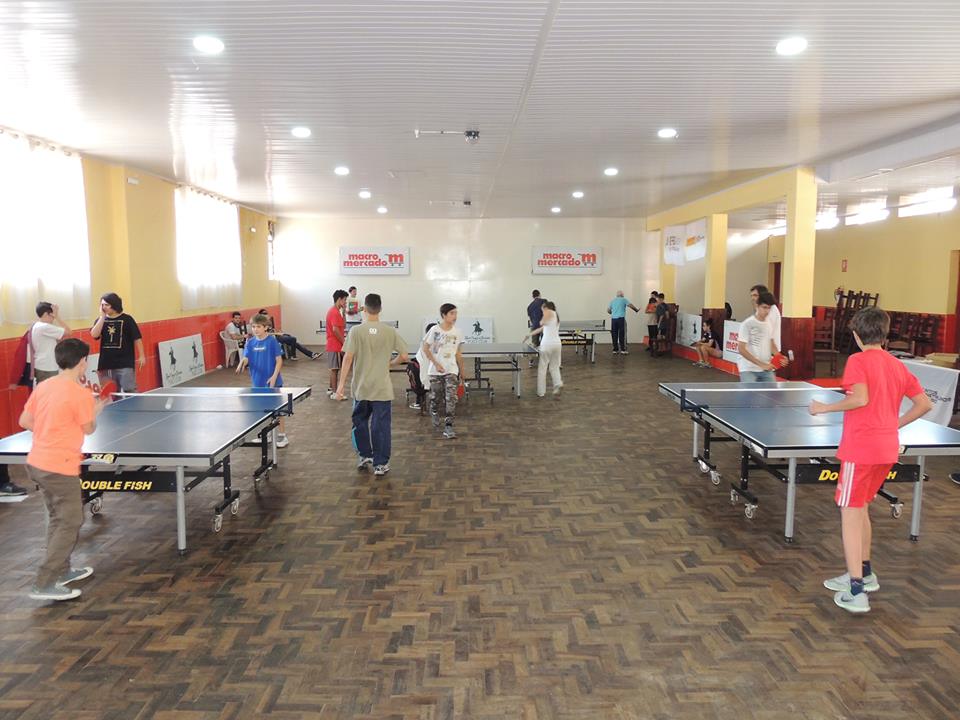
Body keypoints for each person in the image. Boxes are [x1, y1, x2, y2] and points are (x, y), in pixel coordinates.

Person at [809, 307, 932, 614]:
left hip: (861, 450)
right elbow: (924, 404)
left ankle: (856, 591)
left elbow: (860, 399)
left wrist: (823, 408)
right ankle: (865, 574)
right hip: (886, 449)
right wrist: (894, 425)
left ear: (855, 335)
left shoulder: (858, 361)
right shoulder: (896, 364)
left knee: (850, 513)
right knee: (861, 507)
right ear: (885, 334)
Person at [19, 338, 107, 601]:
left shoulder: (44, 386)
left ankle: (62, 570)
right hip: (60, 468)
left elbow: (25, 420)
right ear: (83, 363)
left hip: (37, 463)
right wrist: (96, 410)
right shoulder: (80, 394)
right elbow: (88, 428)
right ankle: (44, 583)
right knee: (70, 521)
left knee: (58, 518)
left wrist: (50, 431)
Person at [335, 294, 408, 476]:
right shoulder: (389, 331)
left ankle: (364, 455)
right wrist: (391, 363)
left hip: (361, 388)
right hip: (382, 389)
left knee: (359, 422)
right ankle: (380, 464)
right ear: (380, 309)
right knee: (380, 426)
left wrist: (340, 386)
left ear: (365, 310)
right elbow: (404, 356)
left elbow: (348, 358)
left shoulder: (355, 331)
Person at [236, 313, 289, 448]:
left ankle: (282, 436)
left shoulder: (272, 341)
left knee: (278, 410)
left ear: (265, 327)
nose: (255, 329)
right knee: (262, 410)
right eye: (253, 327)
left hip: (273, 382)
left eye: (258, 327)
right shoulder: (250, 342)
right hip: (257, 382)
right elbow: (247, 357)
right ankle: (266, 435)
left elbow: (279, 361)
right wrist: (242, 362)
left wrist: (274, 376)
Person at [421, 304, 466, 440]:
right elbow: (425, 348)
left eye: (456, 313)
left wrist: (462, 371)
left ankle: (449, 426)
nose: (455, 316)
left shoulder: (457, 332)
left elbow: (458, 353)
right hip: (435, 370)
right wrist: (436, 364)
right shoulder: (434, 330)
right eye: (452, 313)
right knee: (436, 396)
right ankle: (434, 410)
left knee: (451, 397)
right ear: (444, 315)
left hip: (451, 369)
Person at [90, 292, 145, 393]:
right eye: (102, 305)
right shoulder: (100, 321)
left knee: (129, 389)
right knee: (110, 392)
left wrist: (142, 355)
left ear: (114, 305)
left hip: (124, 363)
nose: (104, 307)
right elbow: (94, 335)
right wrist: (102, 317)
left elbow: (137, 338)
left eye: (107, 305)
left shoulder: (127, 319)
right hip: (106, 363)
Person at [737, 291, 781, 382]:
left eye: (769, 308)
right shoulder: (747, 324)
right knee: (750, 390)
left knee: (772, 390)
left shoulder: (769, 323)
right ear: (757, 306)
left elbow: (771, 343)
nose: (767, 311)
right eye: (764, 307)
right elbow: (741, 349)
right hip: (748, 369)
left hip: (766, 368)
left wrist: (779, 356)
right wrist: (761, 364)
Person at [526, 300, 563, 398]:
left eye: (543, 309)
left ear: (546, 308)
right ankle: (558, 383)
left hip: (547, 345)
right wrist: (529, 334)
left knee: (542, 368)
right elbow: (541, 329)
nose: (542, 312)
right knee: (554, 367)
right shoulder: (556, 317)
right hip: (557, 344)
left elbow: (541, 322)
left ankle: (541, 392)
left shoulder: (549, 312)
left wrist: (543, 315)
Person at [31, 302, 71, 384]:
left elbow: (57, 340)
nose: (53, 318)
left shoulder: (37, 325)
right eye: (52, 315)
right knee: (50, 391)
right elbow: (69, 332)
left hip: (42, 365)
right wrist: (57, 317)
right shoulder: (45, 327)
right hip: (47, 367)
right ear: (46, 314)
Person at [408, 322, 436, 411]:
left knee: (413, 368)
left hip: (424, 378)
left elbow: (420, 360)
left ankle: (419, 401)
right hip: (440, 376)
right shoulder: (443, 344)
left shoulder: (424, 345)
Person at [325, 290, 349, 398]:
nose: (345, 302)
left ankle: (331, 389)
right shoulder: (334, 312)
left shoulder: (337, 311)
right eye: (345, 300)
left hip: (335, 344)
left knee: (334, 368)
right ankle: (336, 393)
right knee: (334, 369)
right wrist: (344, 342)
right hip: (335, 345)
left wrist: (344, 313)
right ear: (339, 299)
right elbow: (335, 330)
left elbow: (343, 324)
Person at [750, 284, 781, 351]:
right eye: (751, 296)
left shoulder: (771, 309)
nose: (752, 298)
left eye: (755, 295)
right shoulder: (760, 308)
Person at [526, 290, 547, 366]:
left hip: (534, 327)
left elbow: (531, 318)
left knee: (534, 344)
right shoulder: (544, 301)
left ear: (532, 296)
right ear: (539, 294)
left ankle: (531, 361)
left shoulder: (529, 306)